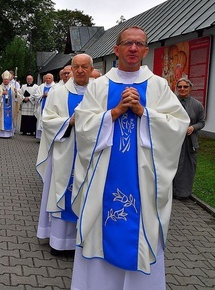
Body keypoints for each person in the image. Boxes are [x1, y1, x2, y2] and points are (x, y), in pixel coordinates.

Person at [71, 26, 190, 289]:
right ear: (116, 49)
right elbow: (83, 125)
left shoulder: (158, 86)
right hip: (104, 177)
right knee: (98, 232)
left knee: (143, 226)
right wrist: (113, 113)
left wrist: (143, 112)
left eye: (139, 44)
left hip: (143, 180)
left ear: (146, 50)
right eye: (128, 43)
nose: (133, 48)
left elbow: (178, 124)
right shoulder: (99, 86)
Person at [36, 54, 93, 256]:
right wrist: (68, 122)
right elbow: (47, 119)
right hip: (65, 150)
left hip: (90, 154)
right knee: (62, 191)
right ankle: (60, 242)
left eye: (84, 66)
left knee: (88, 194)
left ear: (90, 68)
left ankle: (83, 241)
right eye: (75, 66)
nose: (79, 70)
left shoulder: (99, 91)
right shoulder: (58, 92)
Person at [173, 78, 205, 200]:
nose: (182, 89)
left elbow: (202, 122)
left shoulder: (197, 105)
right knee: (172, 165)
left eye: (185, 87)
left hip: (189, 141)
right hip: (173, 141)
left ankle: (183, 193)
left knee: (187, 167)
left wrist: (193, 127)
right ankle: (169, 192)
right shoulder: (171, 102)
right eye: (180, 87)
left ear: (190, 88)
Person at [0, 70, 20, 138]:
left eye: (7, 80)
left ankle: (9, 134)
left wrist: (16, 93)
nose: (6, 81)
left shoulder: (13, 87)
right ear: (3, 79)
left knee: (9, 118)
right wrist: (2, 94)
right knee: (2, 119)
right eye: (4, 80)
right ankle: (0, 133)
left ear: (9, 80)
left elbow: (17, 98)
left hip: (10, 107)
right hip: (2, 107)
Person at [34, 73, 56, 139]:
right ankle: (40, 137)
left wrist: (48, 95)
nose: (48, 79)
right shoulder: (41, 86)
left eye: (49, 78)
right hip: (41, 106)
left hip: (50, 108)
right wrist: (42, 96)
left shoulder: (55, 87)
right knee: (40, 121)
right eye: (47, 78)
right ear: (44, 79)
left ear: (52, 79)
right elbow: (36, 95)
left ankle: (47, 138)